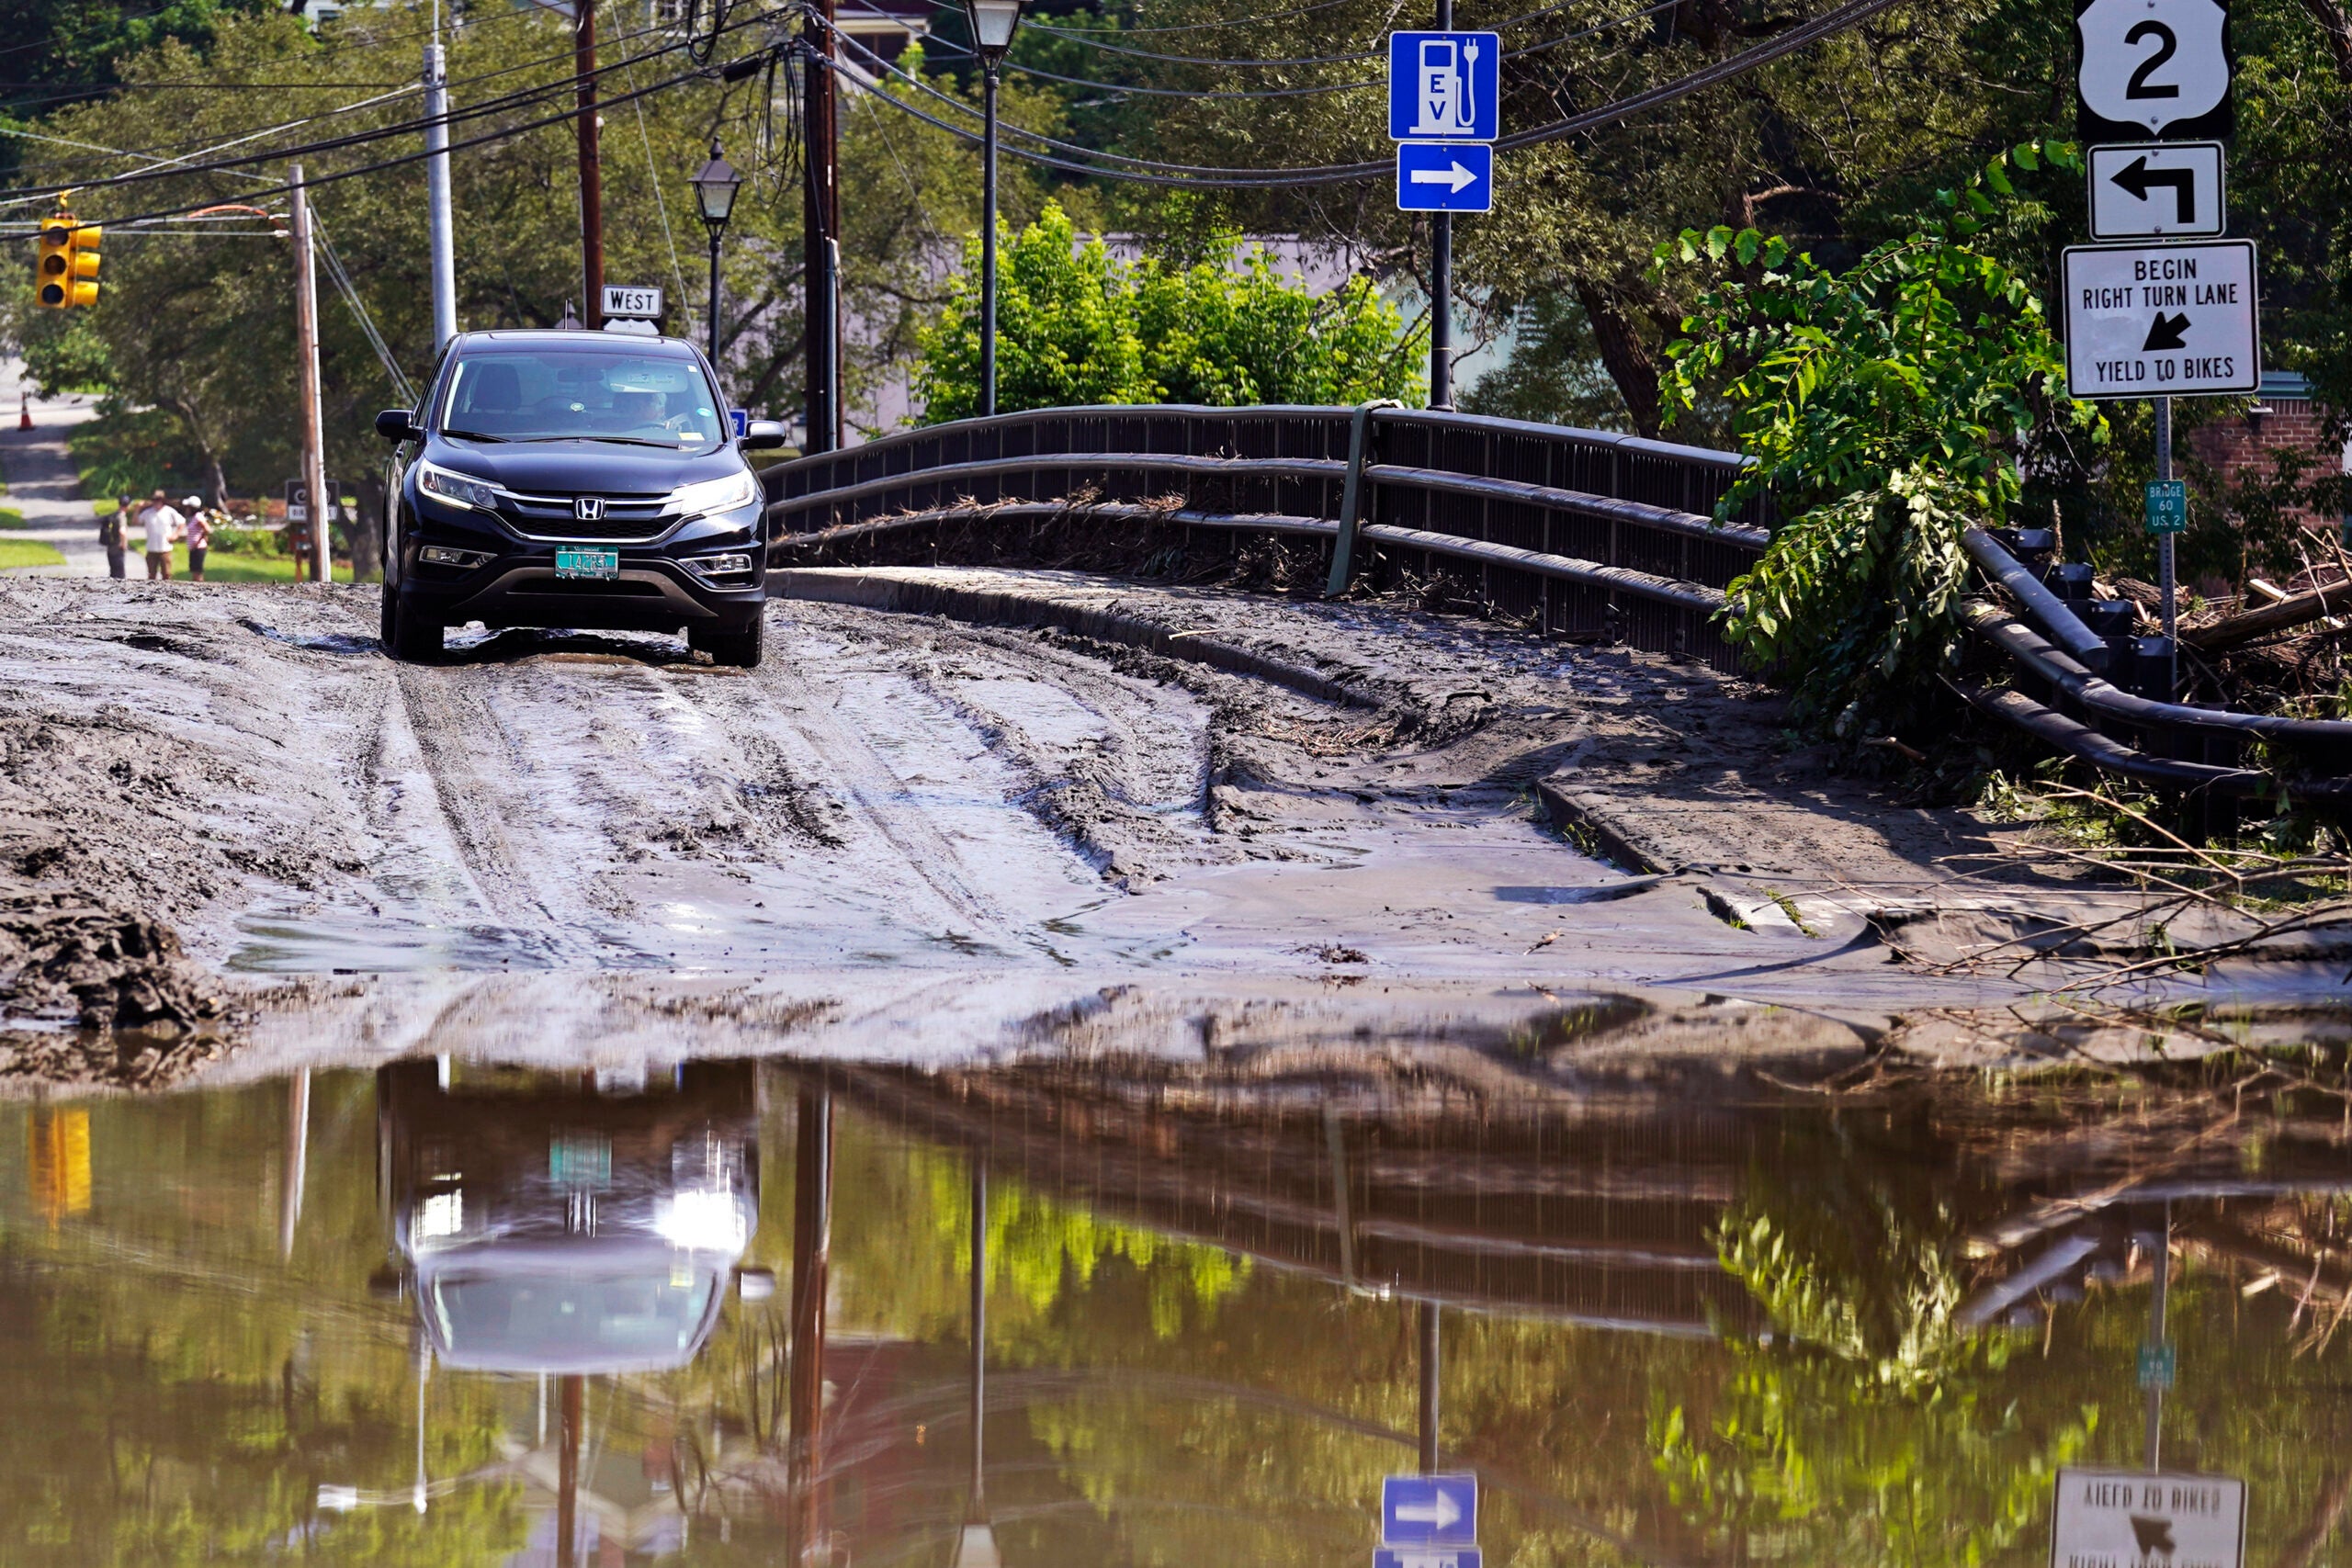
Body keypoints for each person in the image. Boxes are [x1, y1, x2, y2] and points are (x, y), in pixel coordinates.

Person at [141, 489, 183, 581]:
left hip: (165, 548)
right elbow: (136, 522)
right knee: (151, 575)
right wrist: (137, 509)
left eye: (158, 500)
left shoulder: (169, 511)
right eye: (154, 500)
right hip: (151, 548)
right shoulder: (148, 512)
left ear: (163, 500)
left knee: (167, 574)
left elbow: (182, 522)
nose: (156, 502)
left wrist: (176, 535)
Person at [181, 496, 211, 581]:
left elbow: (207, 529)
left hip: (198, 547)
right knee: (194, 570)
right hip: (194, 548)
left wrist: (199, 541)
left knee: (197, 571)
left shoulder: (198, 516)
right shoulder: (194, 517)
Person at [99, 499, 129, 580]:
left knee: (113, 574)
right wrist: (124, 544)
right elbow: (122, 531)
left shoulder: (113, 515)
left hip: (110, 549)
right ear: (128, 506)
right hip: (118, 550)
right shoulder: (121, 517)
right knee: (120, 577)